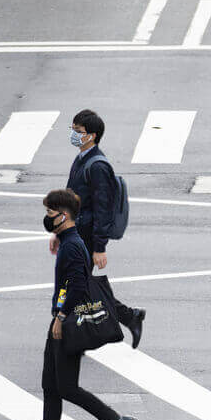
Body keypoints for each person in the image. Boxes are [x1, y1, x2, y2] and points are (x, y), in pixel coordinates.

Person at [16, 189, 138, 420]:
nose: (46, 218)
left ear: (64, 215)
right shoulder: (69, 240)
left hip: (68, 322)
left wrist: (60, 316)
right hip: (61, 318)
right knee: (50, 384)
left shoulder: (71, 245)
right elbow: (67, 286)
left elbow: (76, 286)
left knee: (67, 387)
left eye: (50, 213)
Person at [65, 110, 145, 349]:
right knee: (77, 285)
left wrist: (99, 247)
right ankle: (129, 317)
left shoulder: (97, 166)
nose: (73, 135)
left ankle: (73, 336)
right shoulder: (81, 159)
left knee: (75, 285)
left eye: (78, 131)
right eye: (72, 129)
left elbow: (102, 210)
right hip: (76, 234)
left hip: (87, 236)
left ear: (92, 135)